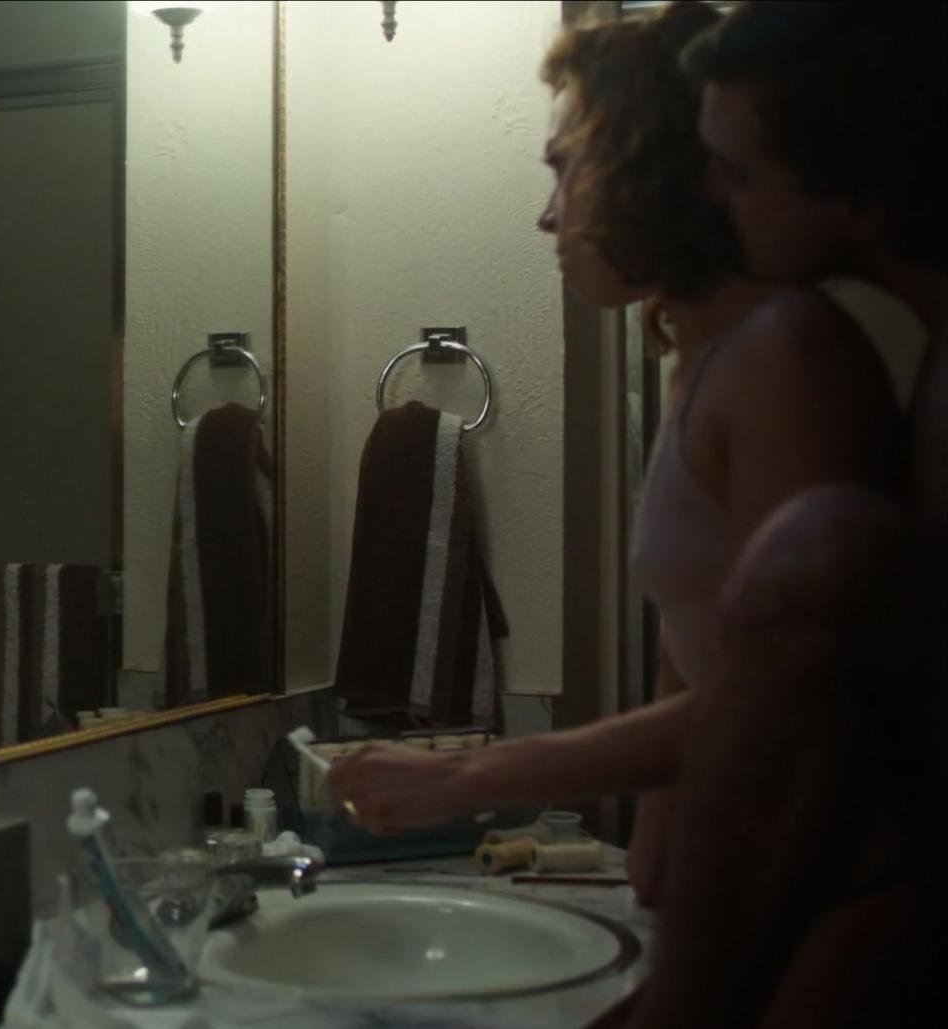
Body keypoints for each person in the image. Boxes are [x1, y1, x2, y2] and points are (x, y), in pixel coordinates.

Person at [327, 1, 903, 907]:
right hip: (737, 888)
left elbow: (797, 698)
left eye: (566, 168)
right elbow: (695, 653)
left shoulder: (786, 357)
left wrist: (470, 775)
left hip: (831, 894)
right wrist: (656, 865)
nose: (548, 217)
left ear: (645, 166)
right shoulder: (703, 359)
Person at [619, 2, 948, 1024]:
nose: (705, 193)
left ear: (855, 192)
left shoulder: (798, 356)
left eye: (737, 171)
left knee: (820, 549)